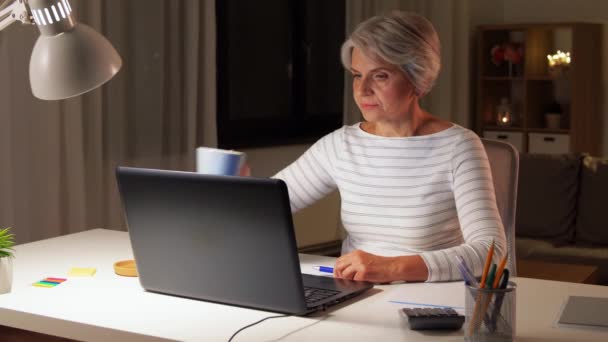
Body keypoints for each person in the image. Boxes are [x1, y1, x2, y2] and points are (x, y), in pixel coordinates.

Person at [272, 11, 506, 283]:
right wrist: (237, 194)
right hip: (355, 294)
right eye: (358, 75)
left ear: (417, 78)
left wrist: (391, 268)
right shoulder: (340, 145)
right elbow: (266, 205)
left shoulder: (459, 147)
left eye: (380, 76)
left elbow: (491, 252)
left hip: (431, 303)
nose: (362, 90)